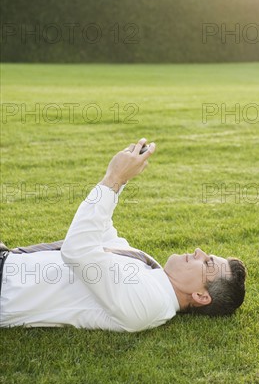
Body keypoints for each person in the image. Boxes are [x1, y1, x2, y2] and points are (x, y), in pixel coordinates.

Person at [0, 138, 246, 332]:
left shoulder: (150, 304)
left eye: (207, 262)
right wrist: (124, 177)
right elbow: (103, 233)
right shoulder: (152, 272)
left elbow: (78, 252)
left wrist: (114, 178)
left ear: (201, 296)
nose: (199, 252)